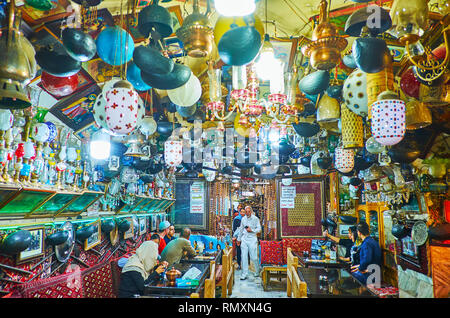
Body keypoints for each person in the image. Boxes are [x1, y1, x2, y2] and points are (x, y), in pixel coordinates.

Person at [236, 205, 261, 280]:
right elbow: (241, 229)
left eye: (248, 211)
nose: (247, 213)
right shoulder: (243, 219)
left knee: (253, 257)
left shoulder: (255, 219)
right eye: (246, 211)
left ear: (251, 211)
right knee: (244, 256)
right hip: (244, 238)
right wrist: (239, 239)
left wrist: (252, 230)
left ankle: (257, 271)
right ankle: (244, 273)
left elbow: (259, 229)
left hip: (252, 238)